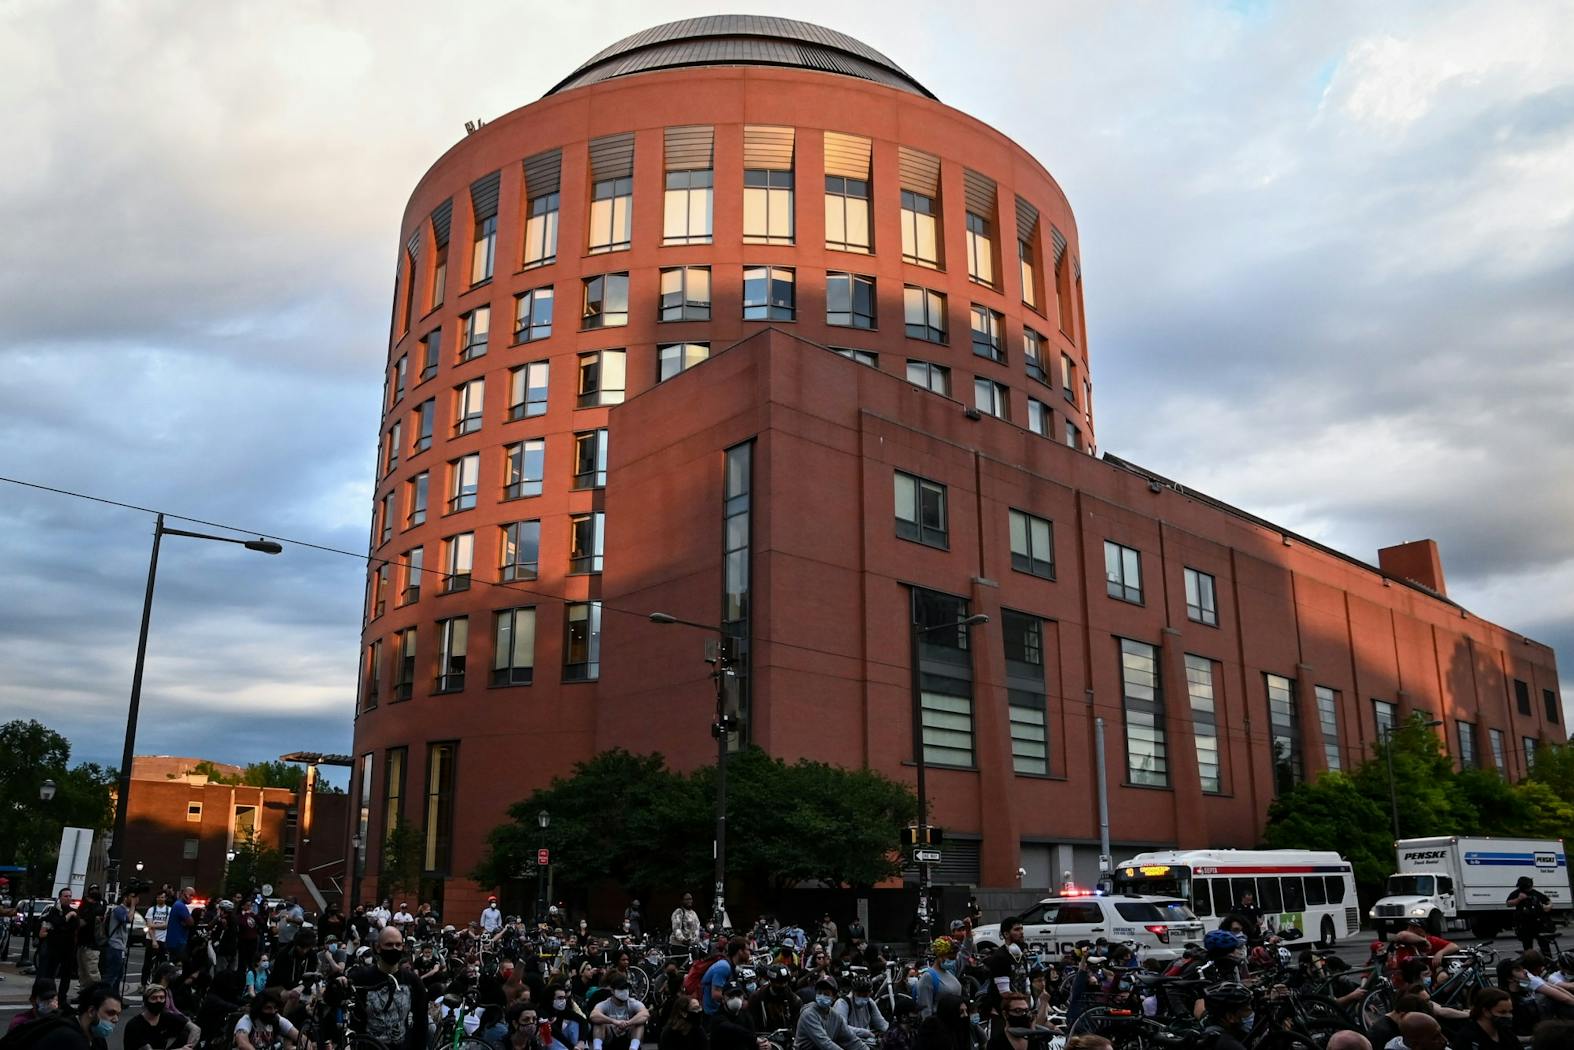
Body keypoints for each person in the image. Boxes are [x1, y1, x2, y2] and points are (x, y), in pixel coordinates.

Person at [341, 926, 425, 1050]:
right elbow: (333, 999)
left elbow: (421, 1021)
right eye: (389, 945)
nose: (394, 949)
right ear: (378, 948)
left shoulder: (413, 981)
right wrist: (338, 984)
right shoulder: (360, 977)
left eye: (398, 945)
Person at [22, 982, 124, 1050]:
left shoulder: (98, 1040)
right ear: (92, 1011)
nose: (116, 1019)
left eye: (118, 1015)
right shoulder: (69, 1039)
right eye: (110, 1013)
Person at [792, 977, 863, 1050]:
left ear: (834, 997)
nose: (822, 996)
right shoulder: (809, 1014)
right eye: (819, 993)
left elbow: (851, 1039)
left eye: (826, 994)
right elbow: (825, 1043)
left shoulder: (836, 1016)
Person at [122, 983, 199, 1050]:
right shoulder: (134, 1026)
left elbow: (195, 1029)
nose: (158, 1001)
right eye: (154, 998)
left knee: (185, 1034)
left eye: (161, 998)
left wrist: (189, 1047)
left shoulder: (166, 1017)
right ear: (146, 1001)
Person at [589, 975, 649, 1050]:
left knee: (639, 1022)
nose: (625, 991)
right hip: (610, 1038)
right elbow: (593, 1015)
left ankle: (634, 1047)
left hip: (628, 1036)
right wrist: (614, 1021)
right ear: (612, 991)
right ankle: (597, 1048)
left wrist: (628, 1023)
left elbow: (645, 1014)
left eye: (626, 988)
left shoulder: (632, 1002)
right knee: (598, 1022)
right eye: (621, 989)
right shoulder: (605, 1004)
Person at [981, 919, 1026, 1017]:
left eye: (1022, 929)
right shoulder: (1000, 957)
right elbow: (1005, 993)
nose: (1021, 932)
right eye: (1017, 929)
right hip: (1005, 1012)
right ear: (1006, 934)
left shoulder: (1021, 954)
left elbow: (1026, 983)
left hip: (1022, 1008)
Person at [233, 988, 300, 1050]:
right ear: (258, 1008)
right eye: (268, 1008)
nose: (272, 1011)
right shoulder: (247, 1020)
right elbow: (242, 1043)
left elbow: (299, 1036)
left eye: (274, 1008)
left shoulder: (277, 1019)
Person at [915, 939, 964, 1020]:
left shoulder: (950, 973)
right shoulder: (928, 977)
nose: (953, 961)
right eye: (950, 958)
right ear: (940, 955)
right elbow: (926, 1011)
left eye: (955, 958)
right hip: (939, 1025)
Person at [1389, 920, 1458, 975]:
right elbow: (1402, 935)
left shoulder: (1432, 940)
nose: (1409, 929)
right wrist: (1424, 941)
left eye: (1413, 927)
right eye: (1409, 927)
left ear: (1422, 930)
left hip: (1427, 977)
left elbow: (1454, 946)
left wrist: (1441, 952)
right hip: (1406, 977)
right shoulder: (1404, 940)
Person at [1508, 878, 1556, 955]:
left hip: (1539, 924)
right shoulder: (1517, 893)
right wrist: (1518, 899)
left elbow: (1548, 901)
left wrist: (1548, 906)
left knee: (1544, 945)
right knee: (1527, 947)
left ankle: (1548, 962)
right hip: (1525, 924)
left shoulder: (1536, 893)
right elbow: (1508, 903)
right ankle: (1530, 963)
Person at [704, 940, 752, 1018]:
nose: (749, 953)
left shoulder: (732, 966)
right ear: (740, 951)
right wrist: (738, 1002)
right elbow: (715, 994)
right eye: (747, 950)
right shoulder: (723, 967)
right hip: (712, 1014)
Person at [102, 891, 135, 995]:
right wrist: (133, 905)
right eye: (132, 897)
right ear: (125, 898)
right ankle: (104, 997)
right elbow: (128, 919)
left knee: (119, 975)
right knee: (112, 974)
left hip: (121, 947)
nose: (134, 899)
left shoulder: (124, 910)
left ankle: (115, 997)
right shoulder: (118, 910)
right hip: (114, 945)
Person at [1524, 952, 1574, 1020]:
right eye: (1541, 966)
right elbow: (1564, 997)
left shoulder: (1532, 978)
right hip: (1532, 1009)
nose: (1543, 969)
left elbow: (1556, 988)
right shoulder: (1531, 979)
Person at [142, 892, 172, 990]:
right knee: (147, 963)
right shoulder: (151, 910)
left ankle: (161, 984)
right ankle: (143, 984)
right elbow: (149, 926)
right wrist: (154, 941)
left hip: (163, 939)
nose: (160, 899)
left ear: (165, 898)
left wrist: (153, 925)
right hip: (151, 939)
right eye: (158, 897)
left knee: (163, 963)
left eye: (162, 897)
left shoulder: (169, 910)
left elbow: (166, 926)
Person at [166, 889, 194, 964]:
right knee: (180, 966)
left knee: (173, 964)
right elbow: (191, 922)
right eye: (190, 895)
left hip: (175, 941)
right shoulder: (180, 906)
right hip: (178, 942)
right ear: (183, 894)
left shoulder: (178, 904)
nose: (192, 898)